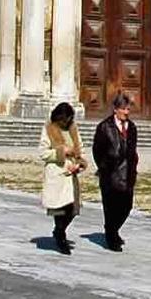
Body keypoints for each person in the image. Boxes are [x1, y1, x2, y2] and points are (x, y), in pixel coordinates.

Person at [92, 93, 140, 251]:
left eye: (128, 109)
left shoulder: (132, 127)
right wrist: (104, 166)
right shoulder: (104, 127)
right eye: (123, 109)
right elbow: (97, 150)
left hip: (127, 174)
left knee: (126, 205)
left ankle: (112, 229)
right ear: (115, 110)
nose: (126, 112)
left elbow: (132, 149)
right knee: (111, 207)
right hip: (110, 174)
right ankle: (111, 237)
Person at [40, 102, 85, 253]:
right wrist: (61, 152)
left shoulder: (73, 130)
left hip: (71, 175)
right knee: (60, 209)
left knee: (72, 209)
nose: (66, 123)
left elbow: (80, 150)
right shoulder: (49, 129)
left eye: (69, 119)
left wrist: (79, 164)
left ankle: (59, 231)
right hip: (57, 175)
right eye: (64, 120)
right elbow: (43, 153)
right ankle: (60, 236)